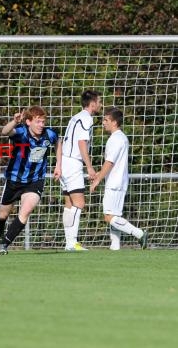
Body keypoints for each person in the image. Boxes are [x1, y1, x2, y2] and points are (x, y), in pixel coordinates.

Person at [0, 106, 61, 255]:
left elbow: (58, 142)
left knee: (26, 211)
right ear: (28, 122)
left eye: (43, 122)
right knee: (2, 215)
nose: (41, 125)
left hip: (35, 180)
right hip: (14, 179)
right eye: (38, 122)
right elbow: (5, 132)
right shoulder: (21, 132)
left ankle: (4, 244)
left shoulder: (49, 134)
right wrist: (13, 122)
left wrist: (58, 165)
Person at [90, 107, 148, 250]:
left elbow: (110, 162)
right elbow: (112, 163)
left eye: (106, 120)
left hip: (114, 183)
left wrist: (97, 180)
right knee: (114, 215)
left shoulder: (115, 139)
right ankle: (114, 246)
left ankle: (139, 234)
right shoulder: (121, 137)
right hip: (119, 181)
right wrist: (99, 174)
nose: (103, 122)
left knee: (109, 217)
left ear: (114, 122)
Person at [58, 90, 101, 251]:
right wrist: (89, 167)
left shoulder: (75, 117)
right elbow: (82, 143)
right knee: (79, 203)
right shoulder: (87, 119)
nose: (101, 104)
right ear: (92, 103)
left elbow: (63, 140)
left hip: (65, 162)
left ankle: (69, 243)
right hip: (73, 163)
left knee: (69, 204)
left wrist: (59, 164)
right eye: (99, 101)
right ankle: (72, 242)